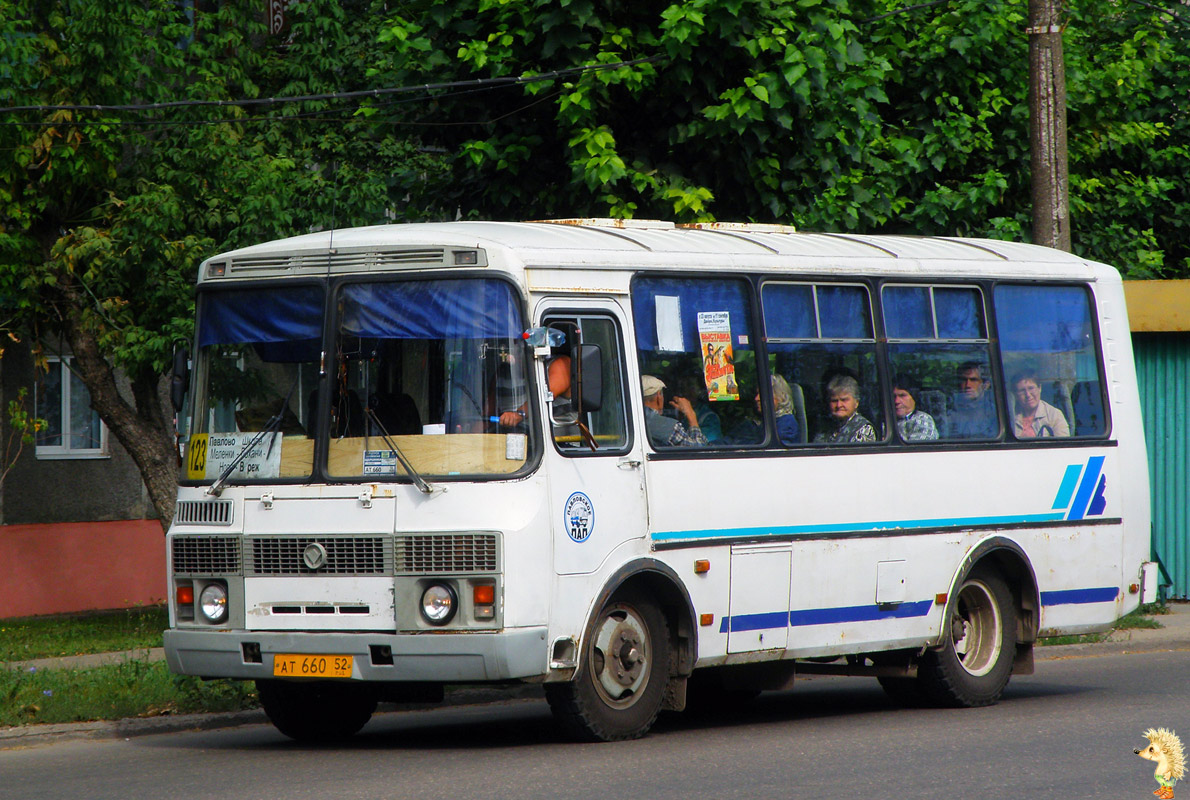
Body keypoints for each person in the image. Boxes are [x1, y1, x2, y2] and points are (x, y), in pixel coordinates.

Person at [497, 353, 570, 427]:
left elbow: (545, 396)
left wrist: (520, 414)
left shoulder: (560, 364)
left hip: (555, 435)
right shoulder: (502, 373)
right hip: (511, 435)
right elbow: (488, 410)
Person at [642, 374, 707, 447]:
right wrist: (691, 415)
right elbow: (699, 449)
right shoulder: (667, 427)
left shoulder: (632, 421)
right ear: (658, 397)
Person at [814, 374, 876, 444]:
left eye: (844, 400)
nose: (838, 405)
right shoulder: (826, 427)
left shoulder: (863, 429)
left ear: (856, 402)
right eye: (834, 401)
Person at [1010, 369, 1070, 438]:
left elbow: (1062, 446)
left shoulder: (1055, 415)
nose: (1028, 395)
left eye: (1031, 388)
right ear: (1016, 395)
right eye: (1022, 391)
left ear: (1040, 388)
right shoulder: (1010, 415)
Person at [946, 361, 997, 438]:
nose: (968, 385)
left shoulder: (995, 415)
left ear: (986, 385)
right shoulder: (950, 413)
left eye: (973, 380)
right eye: (963, 380)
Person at [754, 374, 800, 445]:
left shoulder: (787, 424)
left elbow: (777, 452)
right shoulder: (769, 421)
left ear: (780, 397)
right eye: (757, 394)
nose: (756, 399)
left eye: (762, 394)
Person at [891, 376, 938, 442]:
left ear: (914, 397)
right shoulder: (886, 420)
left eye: (902, 396)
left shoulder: (922, 419)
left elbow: (915, 449)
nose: (896, 401)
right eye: (893, 396)